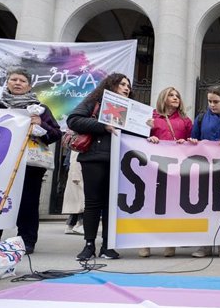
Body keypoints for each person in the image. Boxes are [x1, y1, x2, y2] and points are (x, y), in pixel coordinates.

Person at [0, 68, 62, 254]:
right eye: (13, 79)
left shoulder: (39, 108)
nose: (17, 83)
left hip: (29, 165)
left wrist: (41, 124)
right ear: (7, 82)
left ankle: (26, 241)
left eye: (22, 80)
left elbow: (56, 134)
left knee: (28, 203)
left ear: (29, 86)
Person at [67, 73, 132, 260]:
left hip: (119, 160)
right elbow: (73, 120)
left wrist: (147, 127)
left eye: (128, 85)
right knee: (93, 203)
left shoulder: (132, 109)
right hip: (94, 158)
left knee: (112, 204)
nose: (126, 88)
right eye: (122, 84)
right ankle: (89, 245)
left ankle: (107, 245)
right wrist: (103, 126)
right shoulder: (94, 102)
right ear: (110, 85)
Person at [139, 86, 193, 258]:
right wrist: (149, 136)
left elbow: (194, 141)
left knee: (171, 207)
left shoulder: (185, 120)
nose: (175, 98)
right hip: (154, 168)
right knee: (151, 206)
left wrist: (187, 141)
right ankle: (144, 242)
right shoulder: (151, 119)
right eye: (171, 95)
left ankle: (169, 242)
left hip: (176, 169)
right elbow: (137, 139)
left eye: (177, 95)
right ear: (163, 98)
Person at [189, 85, 220, 259]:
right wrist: (193, 140)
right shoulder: (201, 118)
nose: (212, 104)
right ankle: (205, 245)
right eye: (209, 101)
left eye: (215, 101)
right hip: (206, 170)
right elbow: (193, 138)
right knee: (205, 208)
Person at [62, 150, 84, 235]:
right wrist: (75, 175)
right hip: (78, 173)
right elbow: (75, 157)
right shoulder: (79, 139)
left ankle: (70, 225)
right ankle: (80, 225)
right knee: (82, 201)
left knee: (78, 202)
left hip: (77, 172)